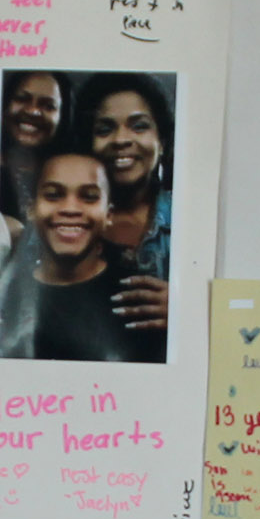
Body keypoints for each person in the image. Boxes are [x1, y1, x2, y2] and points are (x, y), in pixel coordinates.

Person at [0, 151, 162, 366]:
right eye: (53, 195)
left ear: (108, 214)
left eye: (89, 197)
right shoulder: (1, 297)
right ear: (31, 208)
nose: (70, 208)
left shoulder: (141, 301)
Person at [76, 71, 177, 340]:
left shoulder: (192, 219)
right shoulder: (61, 219)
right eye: (105, 129)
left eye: (139, 126)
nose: (121, 139)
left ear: (162, 143)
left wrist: (188, 311)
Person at [0, 69, 66, 236]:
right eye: (22, 99)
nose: (33, 111)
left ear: (63, 117)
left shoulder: (69, 176)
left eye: (48, 106)